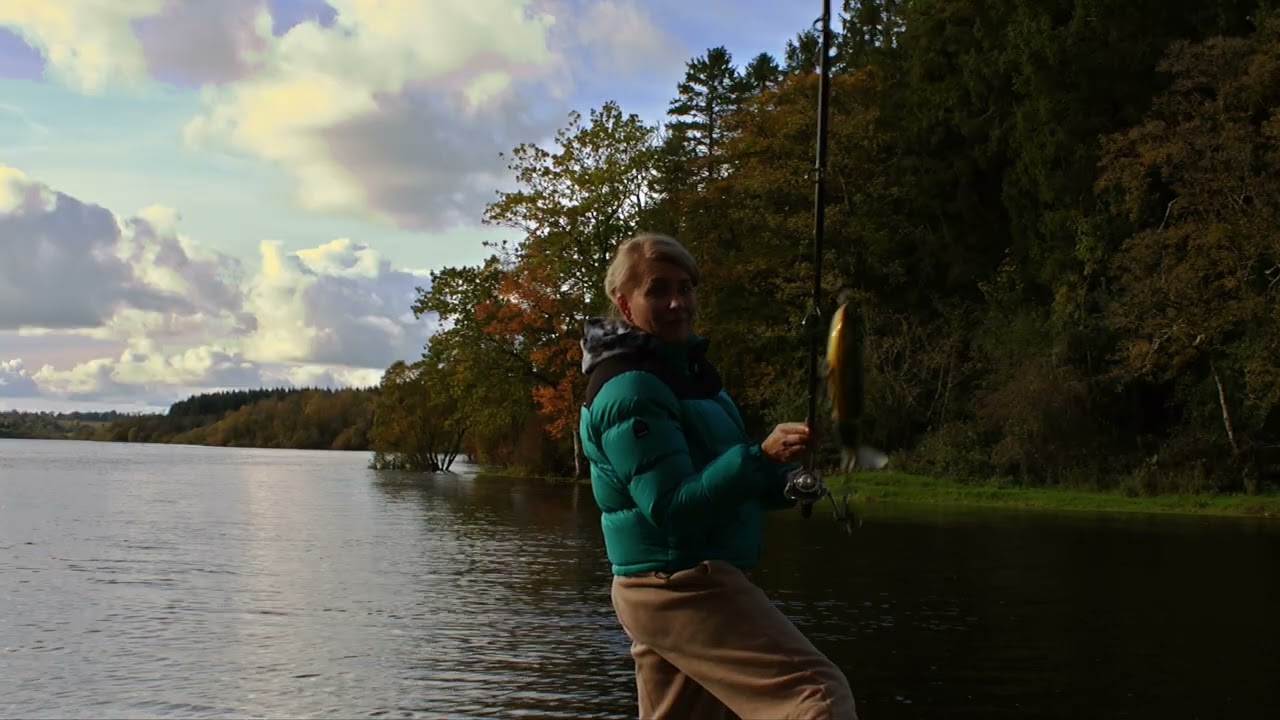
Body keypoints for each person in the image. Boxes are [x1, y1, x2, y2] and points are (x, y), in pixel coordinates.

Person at [578, 233, 859, 719]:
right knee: (817, 697)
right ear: (624, 304)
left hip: (671, 582)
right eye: (657, 290)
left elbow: (720, 478)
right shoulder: (633, 387)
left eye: (685, 288)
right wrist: (761, 457)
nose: (676, 302)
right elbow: (670, 508)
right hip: (678, 585)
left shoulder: (686, 373)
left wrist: (783, 476)